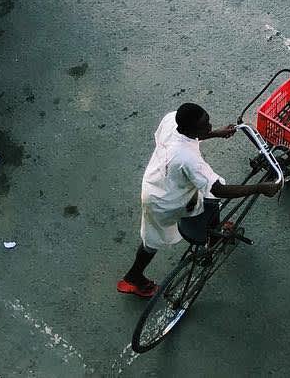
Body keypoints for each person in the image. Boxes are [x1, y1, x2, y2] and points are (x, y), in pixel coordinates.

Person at [117, 102, 280, 298]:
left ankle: (133, 278)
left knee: (153, 237)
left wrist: (216, 133)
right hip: (169, 200)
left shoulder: (172, 119)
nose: (209, 127)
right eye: (205, 125)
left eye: (208, 121)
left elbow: (190, 136)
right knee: (211, 194)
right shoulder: (188, 159)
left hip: (155, 185)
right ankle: (212, 238)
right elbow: (219, 190)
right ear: (189, 129)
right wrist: (260, 188)